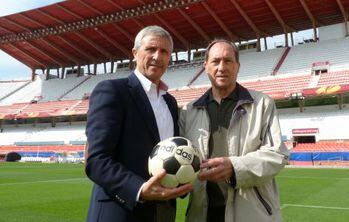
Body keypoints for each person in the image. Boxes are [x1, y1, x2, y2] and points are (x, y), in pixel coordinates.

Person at [85, 25, 192, 222]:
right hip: (121, 212)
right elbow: (96, 161)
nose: (157, 57)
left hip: (163, 212)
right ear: (135, 53)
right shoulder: (113, 91)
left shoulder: (170, 102)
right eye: (151, 49)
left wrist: (180, 182)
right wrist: (140, 189)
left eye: (164, 51)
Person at [179, 39, 290, 222]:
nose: (221, 67)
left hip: (251, 214)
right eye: (215, 61)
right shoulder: (188, 111)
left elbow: (277, 154)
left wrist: (234, 167)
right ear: (205, 66)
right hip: (202, 214)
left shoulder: (262, 104)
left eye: (228, 60)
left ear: (237, 66)